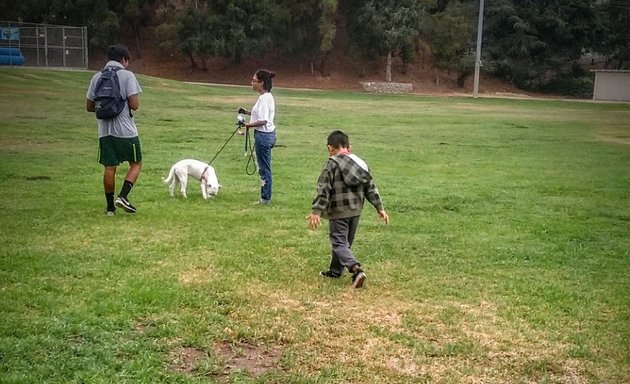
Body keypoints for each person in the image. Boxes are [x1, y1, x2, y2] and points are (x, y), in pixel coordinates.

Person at [307, 130, 390, 289]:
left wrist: (316, 210)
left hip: (339, 211)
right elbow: (370, 187)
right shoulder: (361, 164)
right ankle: (335, 271)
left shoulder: (331, 164)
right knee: (344, 244)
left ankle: (356, 270)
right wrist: (380, 207)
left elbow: (323, 189)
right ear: (349, 147)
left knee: (339, 243)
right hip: (356, 211)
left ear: (329, 147)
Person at [86, 44, 143, 215]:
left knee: (109, 167)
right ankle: (123, 196)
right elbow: (134, 104)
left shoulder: (97, 77)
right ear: (124, 59)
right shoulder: (128, 76)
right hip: (125, 130)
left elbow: (89, 106)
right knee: (136, 163)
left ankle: (110, 208)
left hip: (104, 131)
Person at [239, 69, 277, 205]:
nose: (252, 83)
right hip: (267, 134)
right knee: (264, 167)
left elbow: (263, 120)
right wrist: (247, 112)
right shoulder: (266, 97)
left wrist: (247, 125)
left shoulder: (264, 98)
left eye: (254, 81)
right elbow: (259, 115)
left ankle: (265, 199)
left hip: (263, 136)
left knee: (264, 168)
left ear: (261, 83)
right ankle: (265, 197)